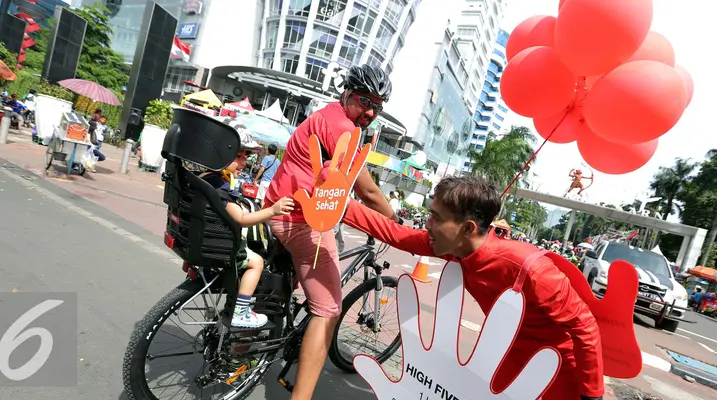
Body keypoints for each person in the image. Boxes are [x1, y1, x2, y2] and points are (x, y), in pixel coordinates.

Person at [341, 176, 604, 400]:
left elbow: (585, 327)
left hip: (556, 374)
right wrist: (338, 203)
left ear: (468, 228)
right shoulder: (456, 249)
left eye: (435, 217)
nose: (427, 225)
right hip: (503, 360)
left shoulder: (532, 270)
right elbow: (397, 235)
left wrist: (592, 395)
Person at [262, 64, 399, 399]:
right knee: (329, 310)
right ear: (346, 93)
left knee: (289, 278)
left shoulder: (325, 116)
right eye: (364, 101)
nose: (369, 111)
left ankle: (258, 338)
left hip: (277, 210)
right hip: (301, 221)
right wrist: (393, 222)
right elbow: (367, 192)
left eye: (377, 107)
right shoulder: (344, 130)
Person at [201, 131, 295, 328]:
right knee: (257, 263)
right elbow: (242, 219)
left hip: (201, 236)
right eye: (238, 156)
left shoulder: (204, 178)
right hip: (220, 243)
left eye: (246, 156)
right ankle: (241, 311)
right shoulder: (220, 187)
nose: (244, 162)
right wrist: (272, 210)